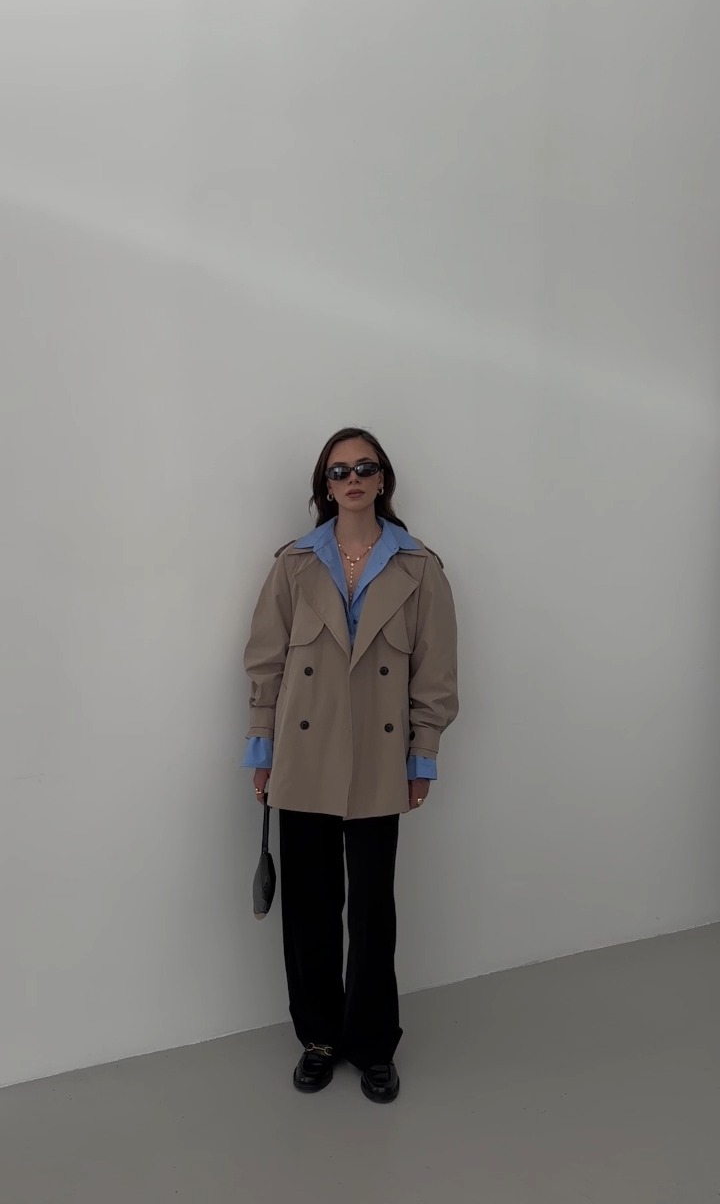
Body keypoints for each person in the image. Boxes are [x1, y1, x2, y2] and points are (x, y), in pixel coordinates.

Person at [241, 427, 459, 1103]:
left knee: (371, 910)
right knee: (309, 907)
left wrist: (423, 756)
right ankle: (318, 1038)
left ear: (383, 478)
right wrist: (261, 750)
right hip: (303, 756)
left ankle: (371, 1043)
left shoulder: (419, 568)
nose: (353, 478)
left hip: (378, 758)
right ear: (325, 486)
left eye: (365, 467)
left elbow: (436, 674)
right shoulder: (293, 564)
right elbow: (265, 663)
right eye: (339, 471)